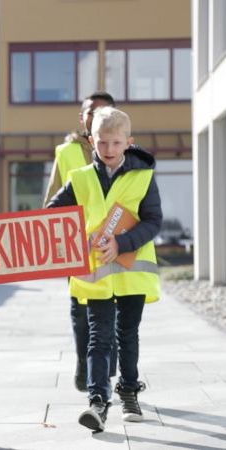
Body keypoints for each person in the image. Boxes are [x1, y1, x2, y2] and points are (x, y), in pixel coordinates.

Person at [47, 106, 162, 432]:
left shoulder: (143, 177)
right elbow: (52, 216)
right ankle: (98, 401)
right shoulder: (78, 179)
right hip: (94, 274)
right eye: (102, 143)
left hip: (131, 273)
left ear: (128, 142)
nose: (109, 150)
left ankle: (128, 391)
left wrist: (121, 244)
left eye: (115, 142)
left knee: (127, 335)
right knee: (98, 338)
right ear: (91, 140)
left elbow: (153, 221)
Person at [43, 91, 117, 393]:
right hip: (80, 247)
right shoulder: (67, 152)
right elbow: (52, 201)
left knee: (114, 308)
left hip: (115, 244)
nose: (96, 114)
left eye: (104, 110)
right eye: (91, 111)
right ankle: (84, 363)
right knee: (82, 308)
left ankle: (106, 368)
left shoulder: (126, 148)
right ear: (83, 117)